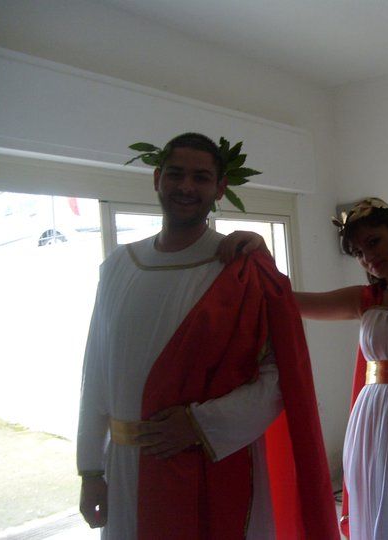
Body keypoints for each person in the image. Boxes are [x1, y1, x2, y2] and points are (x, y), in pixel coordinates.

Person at [76, 132, 339, 539]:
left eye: (200, 177)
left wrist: (200, 424)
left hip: (210, 460)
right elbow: (95, 371)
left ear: (219, 188)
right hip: (126, 468)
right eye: (175, 174)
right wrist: (91, 470)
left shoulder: (239, 269)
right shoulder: (117, 267)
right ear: (157, 178)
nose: (186, 186)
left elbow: (278, 377)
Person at [220, 198, 388, 540]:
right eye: (358, 252)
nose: (368, 257)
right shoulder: (366, 299)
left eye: (373, 242)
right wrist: (262, 254)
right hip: (374, 419)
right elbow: (285, 301)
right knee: (386, 505)